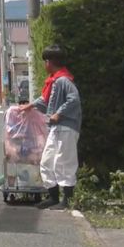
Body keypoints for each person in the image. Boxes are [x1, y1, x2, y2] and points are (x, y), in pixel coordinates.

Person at [21, 45, 83, 210]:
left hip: (66, 126)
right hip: (56, 128)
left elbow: (74, 99)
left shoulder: (63, 80)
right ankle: (54, 197)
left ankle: (67, 200)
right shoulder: (56, 80)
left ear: (49, 62)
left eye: (45, 61)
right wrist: (30, 106)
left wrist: (59, 113)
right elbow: (45, 101)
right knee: (47, 161)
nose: (44, 65)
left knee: (63, 161)